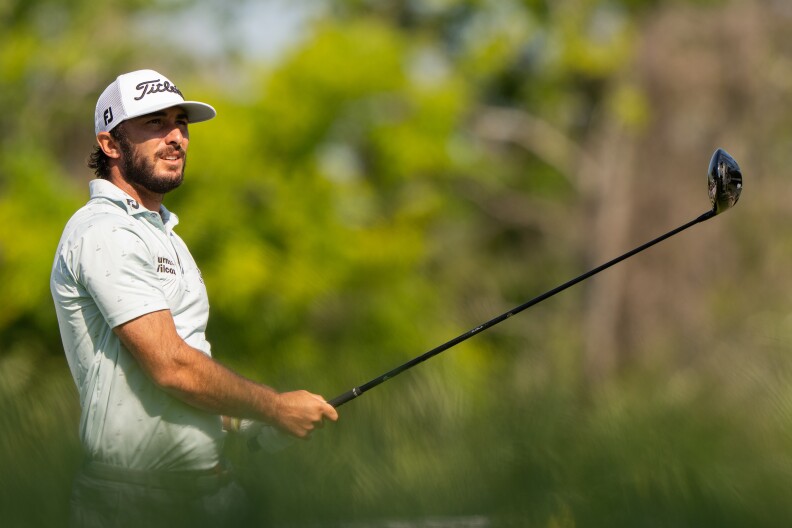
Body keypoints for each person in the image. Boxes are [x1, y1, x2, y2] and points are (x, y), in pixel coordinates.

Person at [50, 69, 339, 527]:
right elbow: (170, 365)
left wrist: (243, 420)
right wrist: (274, 407)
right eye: (154, 123)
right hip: (134, 501)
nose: (175, 137)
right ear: (109, 144)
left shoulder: (165, 233)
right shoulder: (103, 230)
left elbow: (185, 361)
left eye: (180, 123)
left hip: (206, 492)